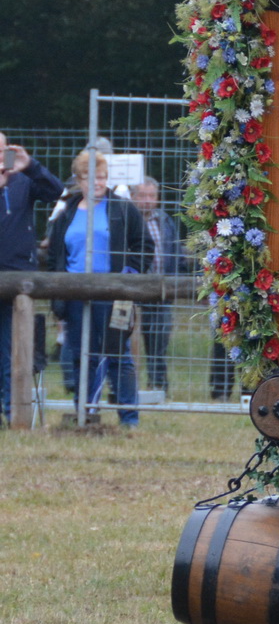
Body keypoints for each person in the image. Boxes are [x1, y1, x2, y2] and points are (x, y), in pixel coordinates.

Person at [46, 150, 151, 428]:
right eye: (91, 178)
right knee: (82, 356)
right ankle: (85, 414)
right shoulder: (66, 212)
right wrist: (58, 289)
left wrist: (129, 273)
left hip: (114, 295)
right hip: (76, 296)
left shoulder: (122, 209)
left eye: (103, 177)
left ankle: (129, 418)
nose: (97, 183)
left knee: (119, 355)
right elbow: (55, 253)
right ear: (79, 180)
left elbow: (145, 245)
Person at [0, 131, 63, 421]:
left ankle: (12, 410)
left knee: (11, 348)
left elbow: (57, 192)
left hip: (16, 277)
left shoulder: (24, 181)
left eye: (3, 150)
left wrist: (31, 166)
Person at [131, 177, 190, 396]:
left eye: (151, 196)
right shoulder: (128, 220)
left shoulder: (165, 221)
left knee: (159, 342)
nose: (147, 201)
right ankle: (130, 386)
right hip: (134, 291)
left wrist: (176, 281)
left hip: (163, 291)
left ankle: (159, 386)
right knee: (130, 341)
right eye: (142, 196)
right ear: (133, 197)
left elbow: (176, 253)